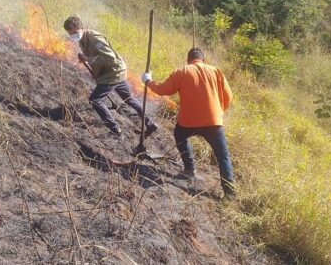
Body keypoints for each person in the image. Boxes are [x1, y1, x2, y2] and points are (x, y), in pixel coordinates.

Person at [142, 48, 235, 196]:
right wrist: (219, 112)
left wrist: (148, 81)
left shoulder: (182, 71)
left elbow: (162, 90)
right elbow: (228, 97)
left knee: (179, 134)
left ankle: (190, 169)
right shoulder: (217, 71)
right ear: (203, 60)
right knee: (223, 155)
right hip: (214, 122)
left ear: (188, 60)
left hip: (189, 122)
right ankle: (230, 194)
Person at [64, 16, 158, 138]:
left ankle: (115, 130)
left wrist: (88, 59)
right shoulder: (82, 40)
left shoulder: (94, 38)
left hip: (113, 72)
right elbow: (96, 56)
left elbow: (109, 58)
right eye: (71, 34)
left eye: (75, 32)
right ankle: (151, 124)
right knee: (129, 99)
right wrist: (87, 59)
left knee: (95, 100)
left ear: (81, 28)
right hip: (114, 71)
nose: (73, 36)